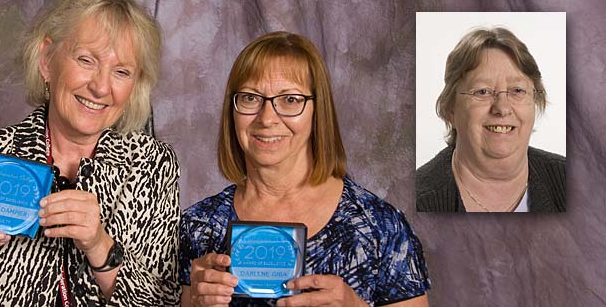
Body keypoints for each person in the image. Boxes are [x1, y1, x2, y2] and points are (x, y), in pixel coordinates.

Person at [0, 0, 180, 306]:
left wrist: (98, 245)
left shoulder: (152, 166)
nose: (101, 87)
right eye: (86, 60)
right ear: (47, 60)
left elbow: (165, 301)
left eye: (121, 71)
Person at [179, 32, 430, 307]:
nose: (267, 118)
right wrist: (192, 302)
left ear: (317, 111)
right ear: (233, 110)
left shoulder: (380, 226)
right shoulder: (198, 227)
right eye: (251, 98)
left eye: (290, 100)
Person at [416, 27, 566, 212]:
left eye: (517, 90)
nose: (502, 108)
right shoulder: (413, 201)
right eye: (482, 91)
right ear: (450, 110)